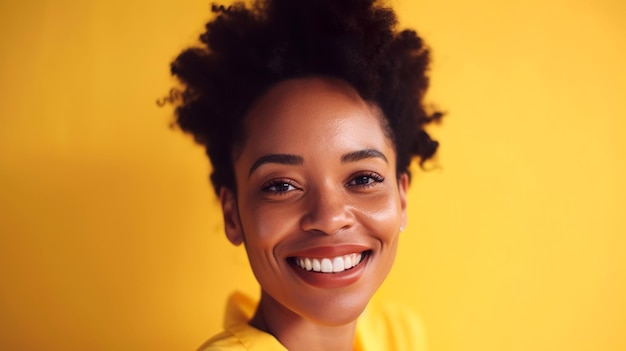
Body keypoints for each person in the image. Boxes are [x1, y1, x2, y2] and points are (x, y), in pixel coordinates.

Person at [163, 0, 442, 349]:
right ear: (232, 214)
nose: (328, 217)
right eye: (281, 186)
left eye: (363, 179)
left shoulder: (399, 335)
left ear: (401, 199)